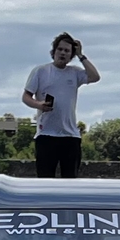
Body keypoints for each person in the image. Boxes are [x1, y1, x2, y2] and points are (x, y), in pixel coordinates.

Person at [22, 33, 99, 178]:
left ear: (71, 55)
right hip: (46, 135)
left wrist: (81, 56)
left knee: (70, 180)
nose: (63, 53)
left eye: (67, 51)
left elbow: (95, 77)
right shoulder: (40, 71)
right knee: (45, 179)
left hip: (70, 136)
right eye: (60, 49)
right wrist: (39, 105)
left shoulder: (74, 73)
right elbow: (26, 96)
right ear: (54, 51)